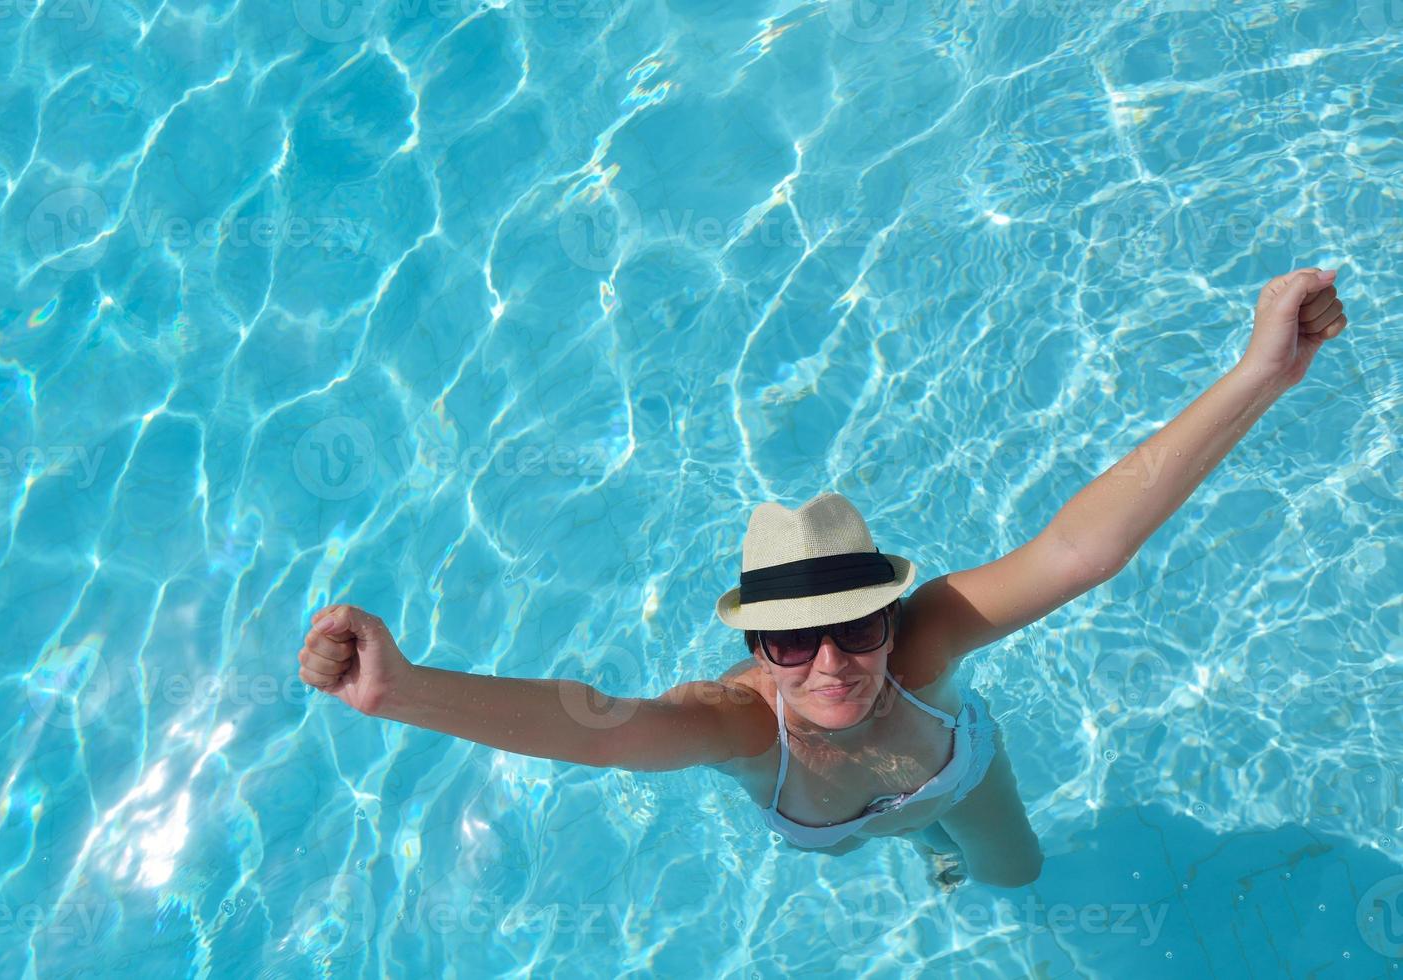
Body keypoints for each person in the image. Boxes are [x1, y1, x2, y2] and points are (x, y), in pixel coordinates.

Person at [296, 266, 1348, 889]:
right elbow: (600, 727)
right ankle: (917, 856)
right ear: (756, 646)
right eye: (791, 640)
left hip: (961, 779)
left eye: (856, 625)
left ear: (891, 615)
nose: (832, 660)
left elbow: (1083, 547)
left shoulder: (924, 646)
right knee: (876, 853)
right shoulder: (742, 723)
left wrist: (1258, 375)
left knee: (1012, 874)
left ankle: (952, 860)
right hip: (832, 823)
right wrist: (404, 689)